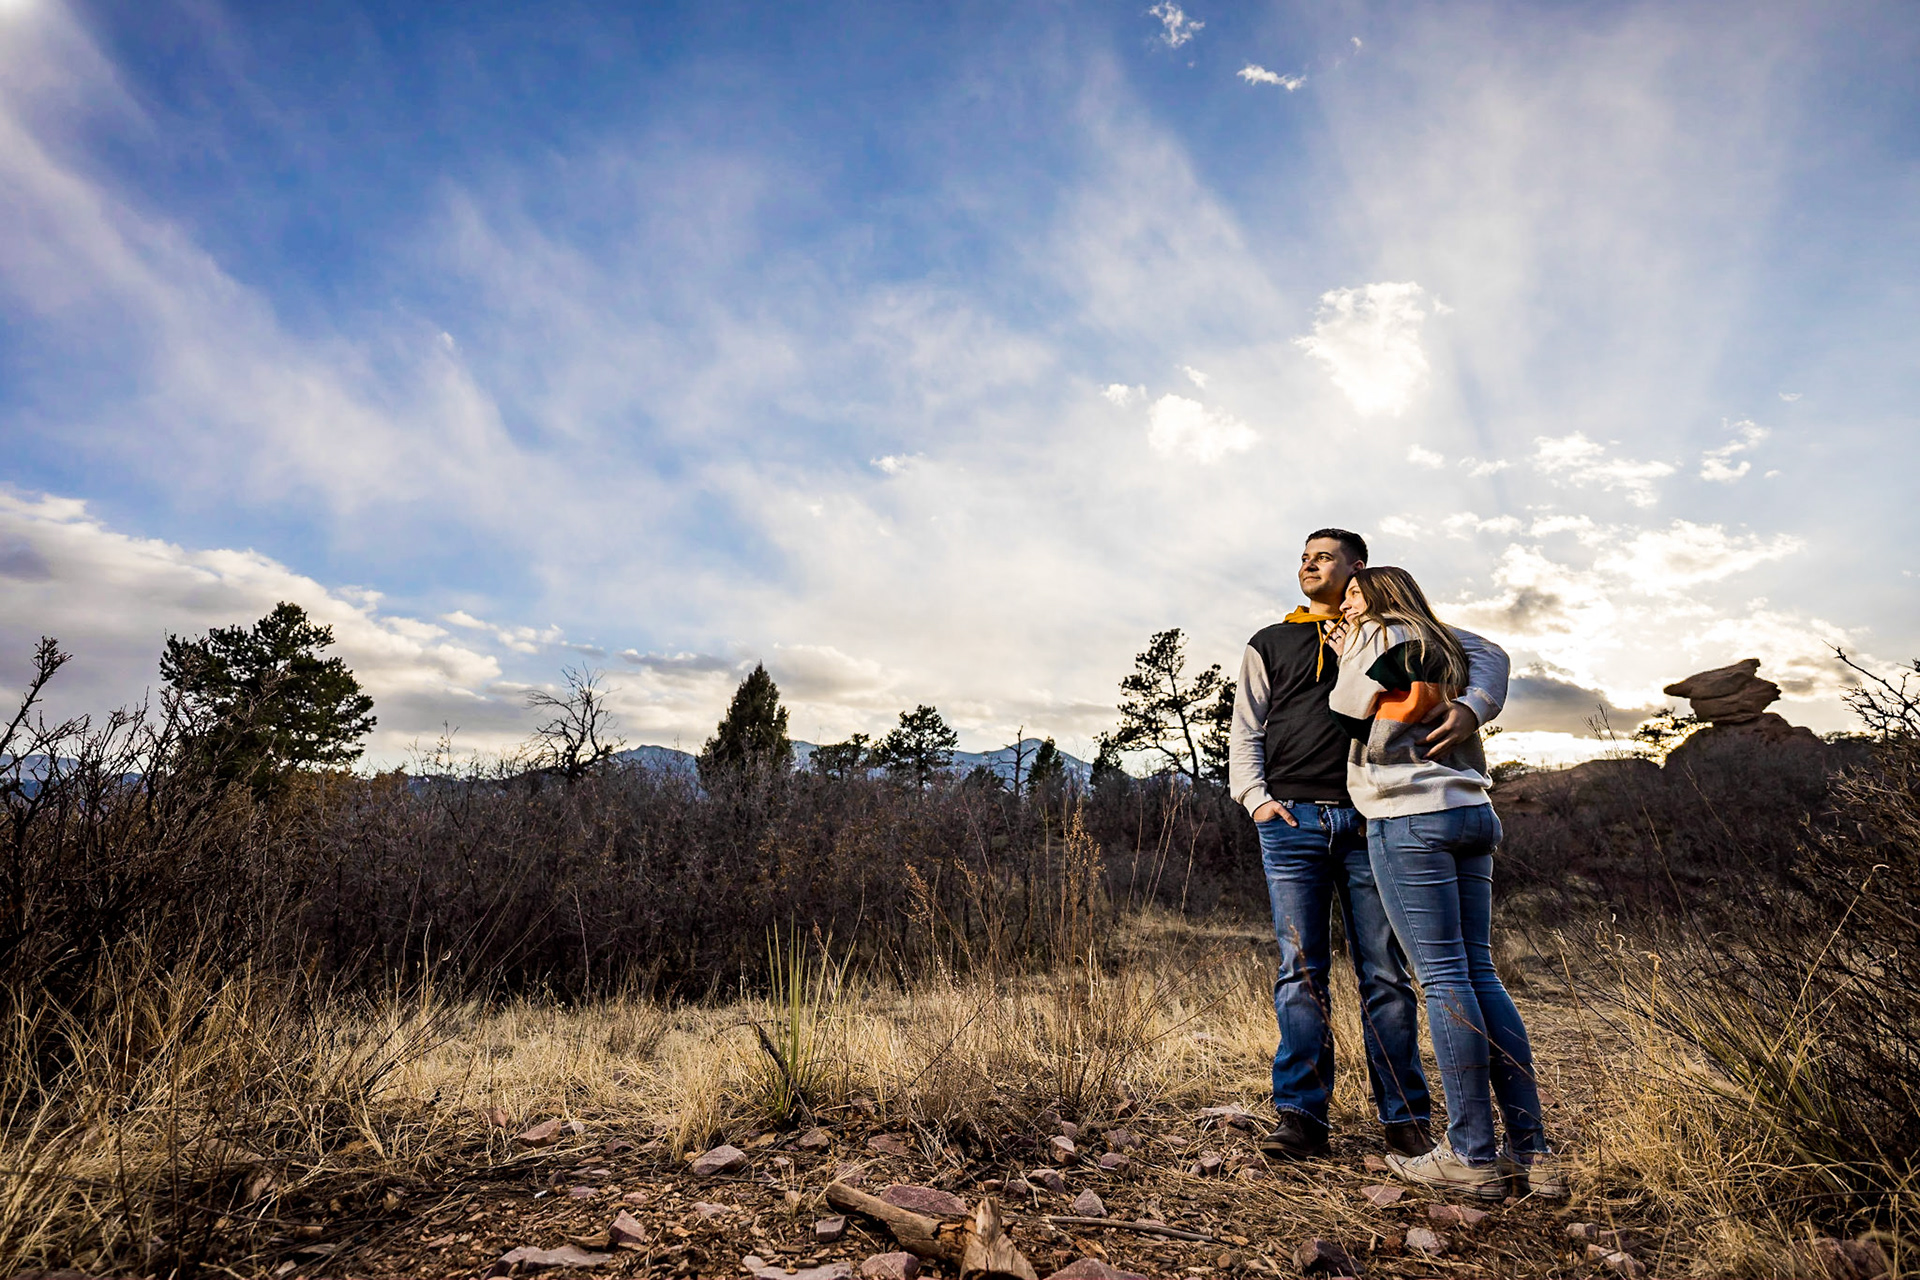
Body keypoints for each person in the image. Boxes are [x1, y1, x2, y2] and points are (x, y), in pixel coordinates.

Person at [1229, 529, 1509, 1160]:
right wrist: (1257, 800)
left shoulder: (1395, 628)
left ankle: (1404, 1119)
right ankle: (1301, 1116)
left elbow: (1484, 652)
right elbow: (1245, 728)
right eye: (1302, 557)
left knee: (1386, 972)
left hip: (1373, 821)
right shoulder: (1272, 641)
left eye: (1323, 557)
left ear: (1359, 569)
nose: (1308, 566)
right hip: (1291, 820)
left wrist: (1471, 707)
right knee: (1300, 972)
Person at [1328, 565, 1565, 1200]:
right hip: (1471, 813)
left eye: (1355, 591)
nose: (1345, 601)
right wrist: (1471, 705)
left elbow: (1346, 712)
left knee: (1443, 980)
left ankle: (1470, 1155)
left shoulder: (1376, 636)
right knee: (1479, 972)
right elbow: (1495, 650)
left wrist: (1348, 644)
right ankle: (1533, 1154)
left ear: (1381, 596)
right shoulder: (1441, 641)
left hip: (1408, 818)